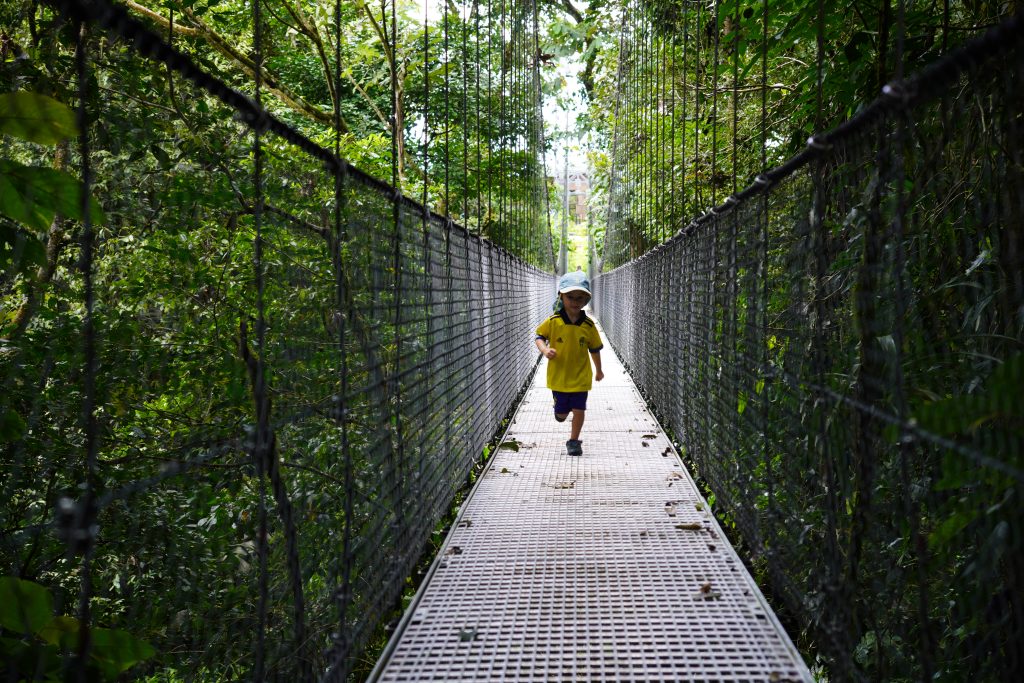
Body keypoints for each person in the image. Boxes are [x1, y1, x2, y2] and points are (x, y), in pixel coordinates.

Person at [534, 272, 604, 456]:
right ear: (561, 297)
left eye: (580, 297)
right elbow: (539, 336)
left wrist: (599, 370)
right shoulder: (553, 321)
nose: (575, 301)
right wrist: (545, 350)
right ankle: (559, 410)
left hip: (581, 377)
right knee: (562, 415)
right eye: (570, 297)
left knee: (579, 409)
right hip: (559, 378)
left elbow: (595, 349)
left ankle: (574, 441)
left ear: (586, 299)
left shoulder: (588, 325)